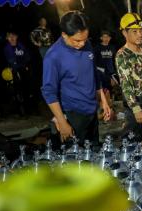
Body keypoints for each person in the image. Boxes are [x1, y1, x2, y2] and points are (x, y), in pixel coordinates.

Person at [41, 11, 111, 147]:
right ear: (64, 35)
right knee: (76, 162)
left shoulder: (87, 45)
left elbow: (93, 73)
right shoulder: (53, 56)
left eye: (85, 39)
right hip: (73, 115)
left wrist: (103, 101)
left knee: (94, 154)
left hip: (91, 112)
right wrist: (62, 122)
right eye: (77, 40)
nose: (82, 44)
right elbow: (49, 92)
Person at [3, 30, 32, 115]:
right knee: (17, 91)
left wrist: (25, 65)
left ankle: (29, 109)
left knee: (27, 88)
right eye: (9, 36)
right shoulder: (7, 48)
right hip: (12, 71)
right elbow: (11, 61)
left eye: (13, 36)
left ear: (17, 37)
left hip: (23, 69)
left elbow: (27, 56)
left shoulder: (21, 45)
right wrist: (16, 69)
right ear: (7, 38)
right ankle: (21, 111)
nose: (12, 38)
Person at [94, 30, 118, 105]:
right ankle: (102, 107)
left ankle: (110, 108)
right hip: (101, 73)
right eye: (104, 37)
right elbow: (94, 62)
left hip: (111, 73)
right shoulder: (97, 48)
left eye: (108, 37)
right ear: (101, 38)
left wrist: (114, 74)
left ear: (110, 38)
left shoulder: (112, 48)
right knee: (102, 92)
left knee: (111, 92)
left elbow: (115, 60)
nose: (106, 38)